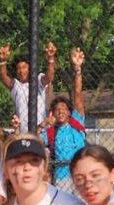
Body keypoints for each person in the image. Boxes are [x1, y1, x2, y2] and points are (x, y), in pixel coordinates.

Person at [41, 48, 86, 191]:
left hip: (81, 171)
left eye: (64, 109)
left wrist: (77, 69)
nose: (60, 111)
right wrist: (42, 125)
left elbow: (78, 94)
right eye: (57, 109)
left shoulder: (76, 122)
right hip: (62, 176)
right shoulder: (51, 132)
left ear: (69, 112)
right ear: (52, 113)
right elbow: (36, 140)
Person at [0, 42, 56, 132]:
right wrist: (2, 61)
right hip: (23, 132)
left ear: (30, 68)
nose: (21, 71)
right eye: (18, 68)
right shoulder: (16, 85)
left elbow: (49, 77)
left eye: (24, 67)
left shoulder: (38, 80)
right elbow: (3, 77)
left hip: (41, 131)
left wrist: (51, 59)